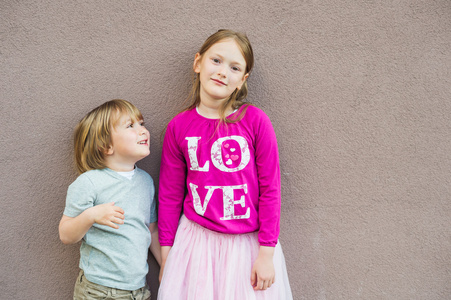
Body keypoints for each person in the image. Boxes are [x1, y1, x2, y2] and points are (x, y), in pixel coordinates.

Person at [158, 29, 292, 299]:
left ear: (242, 80)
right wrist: (166, 256)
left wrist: (266, 253)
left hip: (246, 248)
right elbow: (170, 195)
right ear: (198, 63)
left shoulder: (254, 121)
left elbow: (270, 189)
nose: (222, 72)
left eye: (234, 67)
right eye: (215, 61)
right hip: (195, 244)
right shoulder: (178, 127)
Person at [59, 99, 161, 300]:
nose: (143, 130)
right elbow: (66, 234)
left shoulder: (145, 181)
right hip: (98, 291)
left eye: (142, 123)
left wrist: (166, 264)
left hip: (139, 290)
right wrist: (91, 215)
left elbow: (151, 229)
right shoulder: (90, 182)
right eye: (130, 126)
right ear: (106, 146)